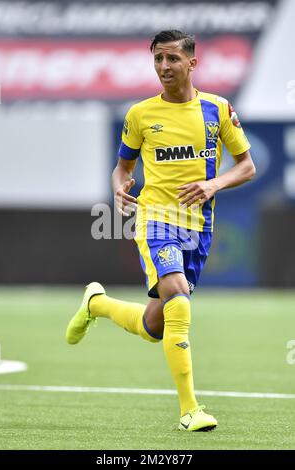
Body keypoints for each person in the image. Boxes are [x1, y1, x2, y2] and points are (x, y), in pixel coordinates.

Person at [66, 30, 255, 432]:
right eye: (157, 59)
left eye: (172, 59)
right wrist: (118, 187)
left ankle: (95, 304)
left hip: (198, 227)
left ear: (192, 63)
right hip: (155, 220)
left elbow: (247, 166)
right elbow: (123, 167)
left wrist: (213, 184)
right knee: (179, 301)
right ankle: (190, 410)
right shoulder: (140, 115)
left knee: (157, 326)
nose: (164, 67)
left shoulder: (217, 109)